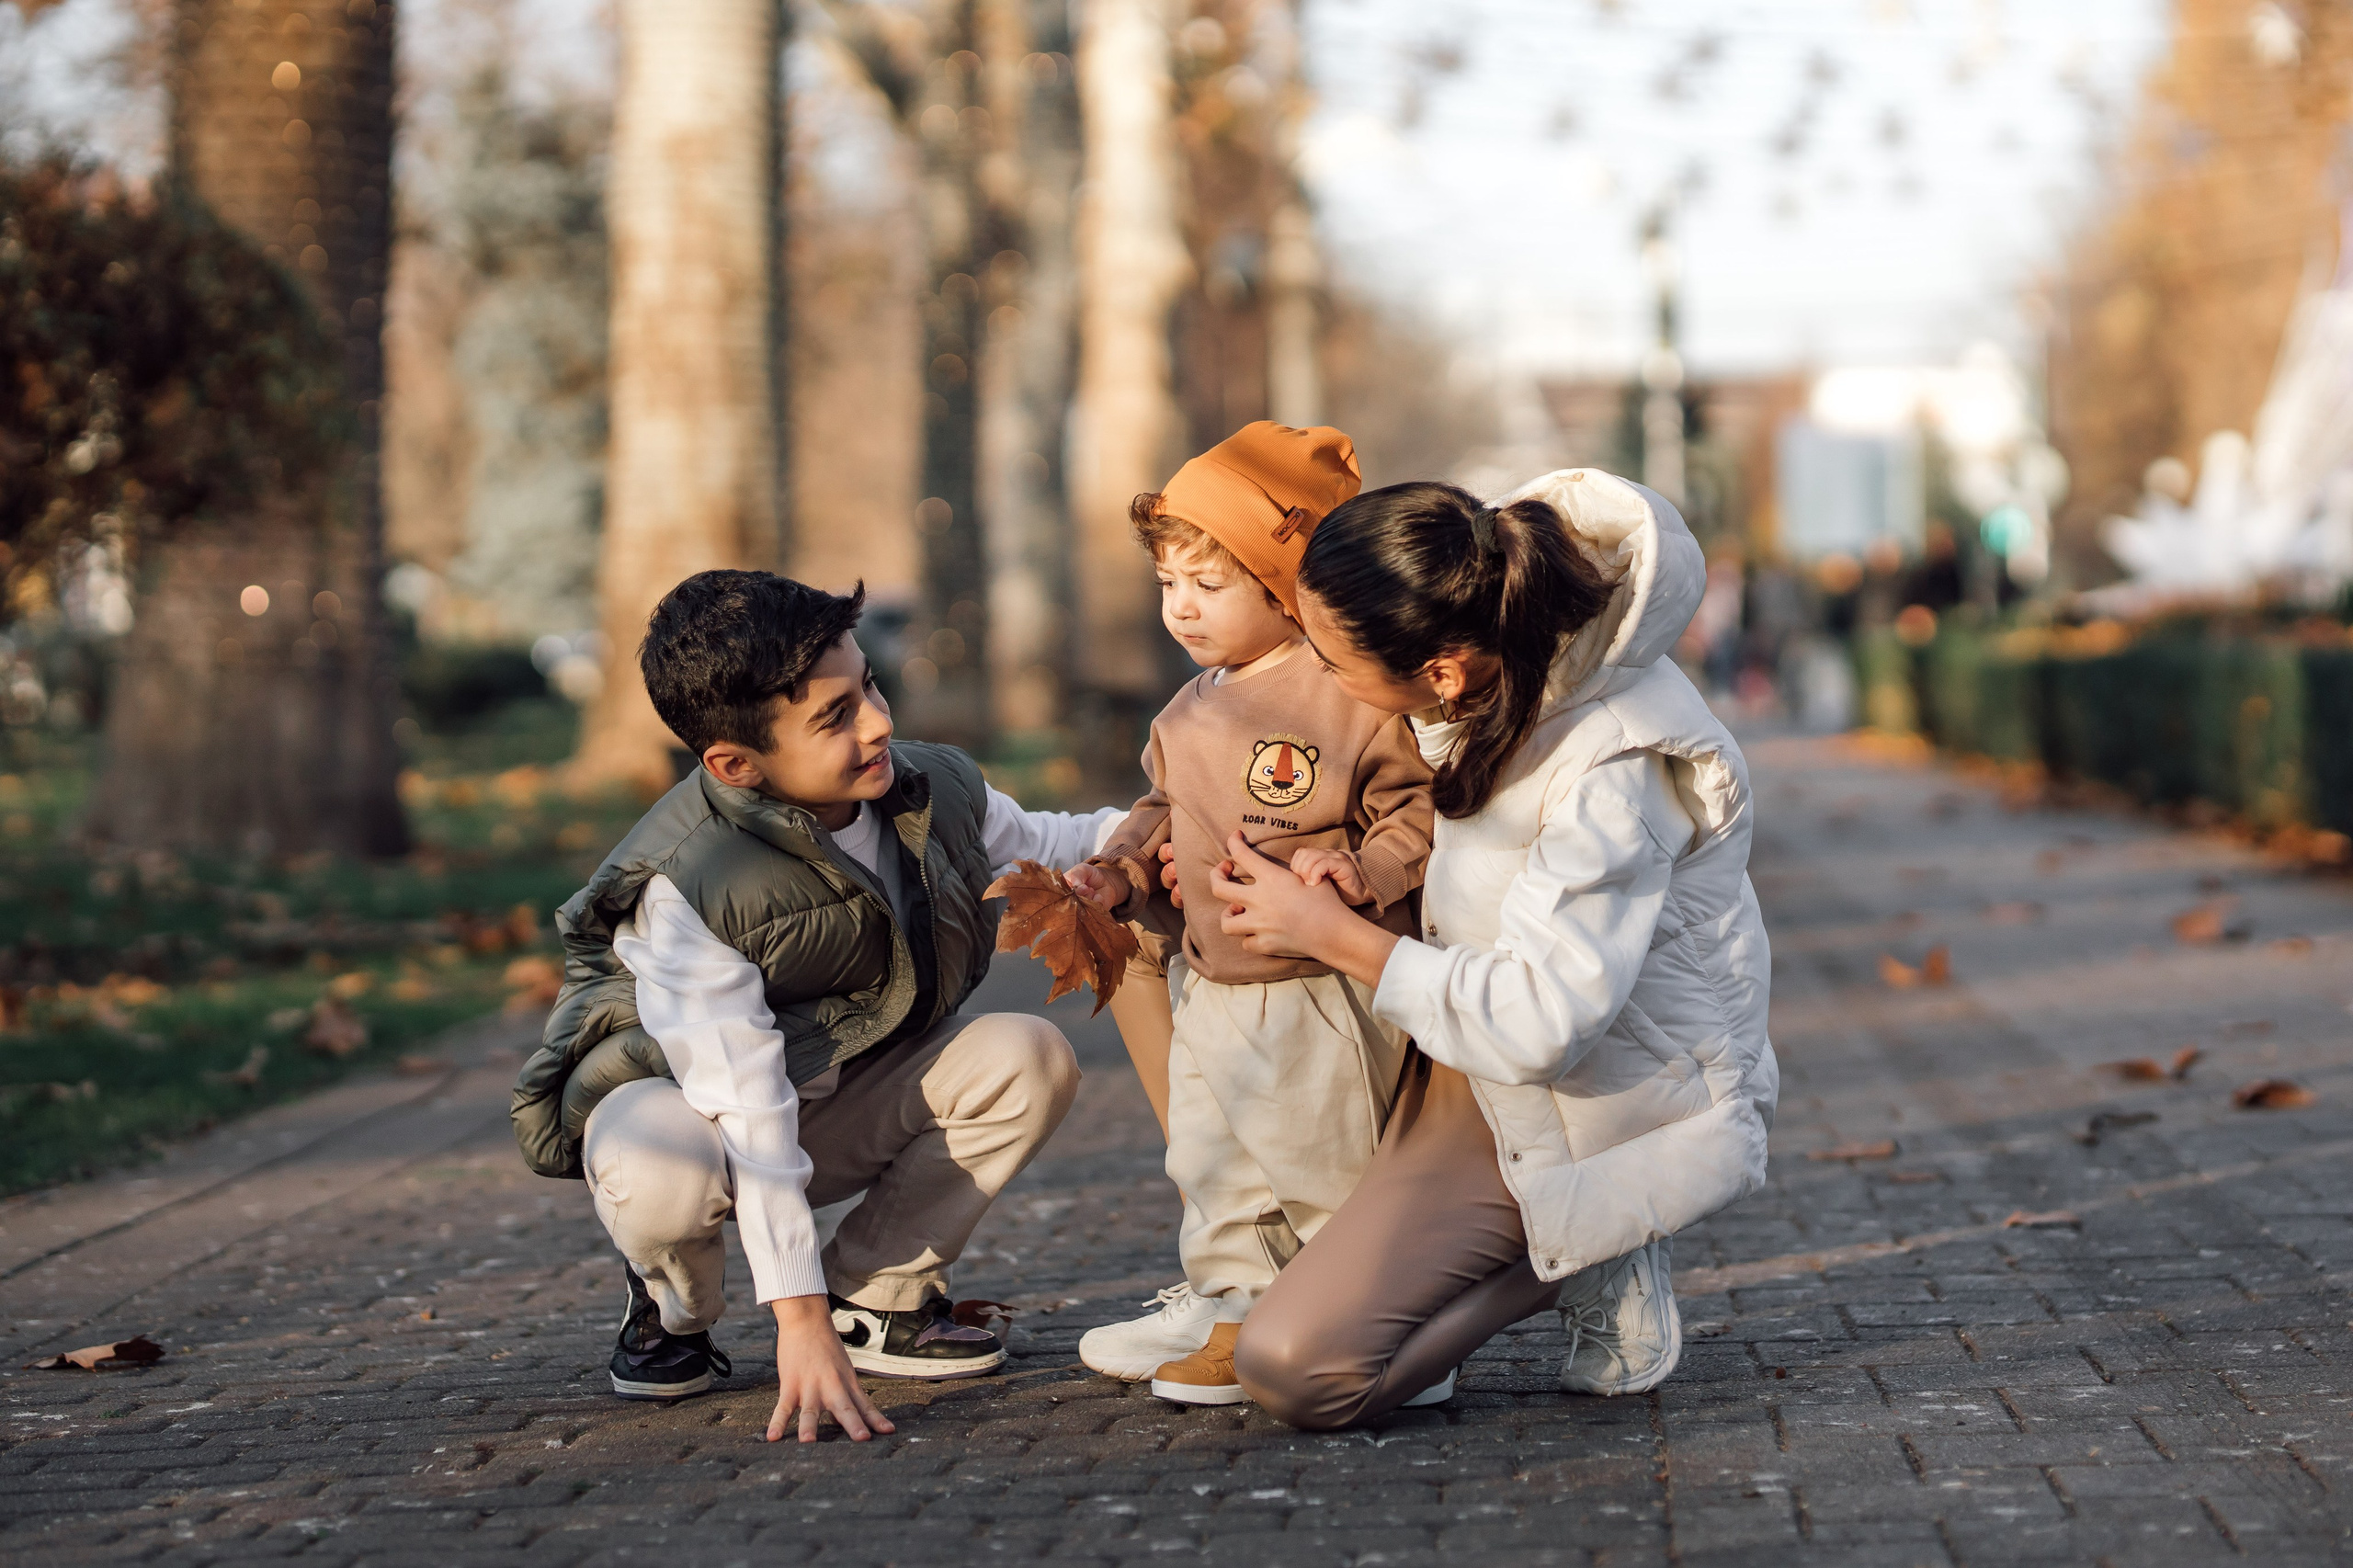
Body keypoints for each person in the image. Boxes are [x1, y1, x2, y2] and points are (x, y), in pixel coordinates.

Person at [1206, 468, 1779, 1428]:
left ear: (1441, 669)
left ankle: (1594, 1235)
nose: (1318, 674)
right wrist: (1355, 876)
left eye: (1334, 659)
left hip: (1570, 1096)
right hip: (1455, 1053)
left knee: (1300, 1369)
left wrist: (1331, 936)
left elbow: (1543, 1022)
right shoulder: (1498, 659)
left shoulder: (1612, 768)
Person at [510, 570, 1128, 1443]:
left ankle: (872, 1297)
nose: (877, 722)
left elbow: (1057, 843)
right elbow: (747, 1104)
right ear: (735, 764)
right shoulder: (689, 884)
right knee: (663, 1179)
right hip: (693, 1119)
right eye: (833, 718)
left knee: (1027, 1054)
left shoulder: (926, 789)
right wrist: (790, 1327)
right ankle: (671, 1310)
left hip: (839, 1099)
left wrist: (1162, 832)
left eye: (868, 686)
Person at [1062, 422, 1437, 1405]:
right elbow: (1158, 812)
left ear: (1284, 586)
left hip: (1316, 990)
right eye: (1166, 584)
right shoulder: (1187, 708)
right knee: (1215, 1161)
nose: (1179, 608)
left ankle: (1383, 1329)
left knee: (1330, 1166)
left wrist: (1359, 869)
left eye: (1208, 585)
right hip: (1212, 981)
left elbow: (1417, 810)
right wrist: (1116, 872)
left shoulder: (1346, 695)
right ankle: (1235, 1307)